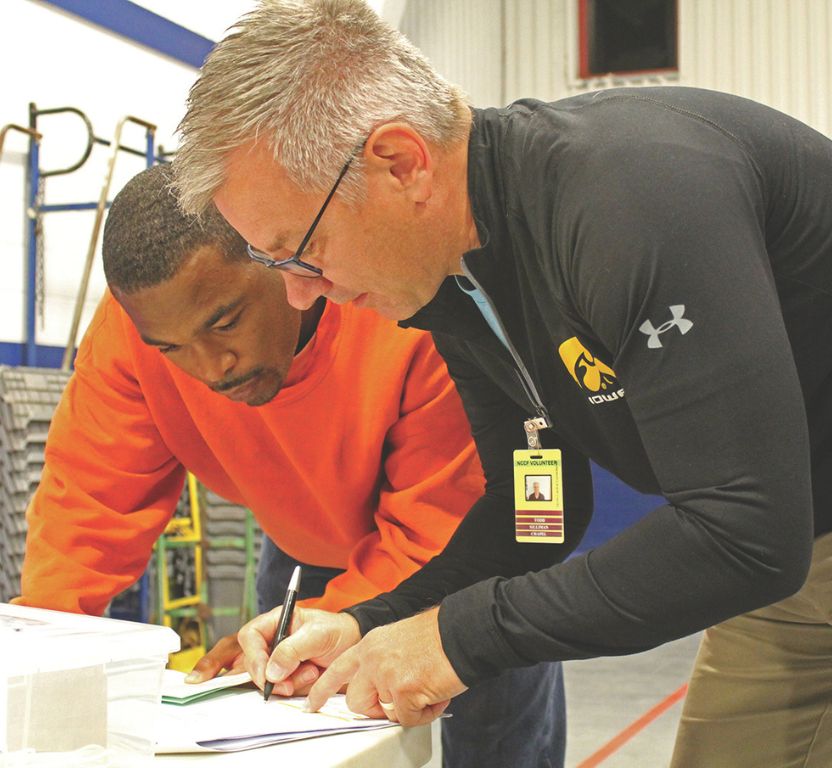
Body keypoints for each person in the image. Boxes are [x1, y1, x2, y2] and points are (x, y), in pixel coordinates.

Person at [173, 2, 832, 766]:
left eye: (298, 250)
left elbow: (744, 532)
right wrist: (373, 618)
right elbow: (536, 516)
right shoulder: (461, 284)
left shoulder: (630, 198)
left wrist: (459, 639)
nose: (295, 290)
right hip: (803, 533)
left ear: (401, 163)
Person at [15, 163, 568, 768]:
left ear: (283, 262)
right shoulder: (136, 331)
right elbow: (88, 504)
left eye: (225, 322)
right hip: (300, 556)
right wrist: (40, 657)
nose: (211, 367)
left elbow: (441, 524)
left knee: (497, 738)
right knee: (286, 737)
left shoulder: (401, 308)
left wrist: (342, 619)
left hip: (462, 556)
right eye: (171, 349)